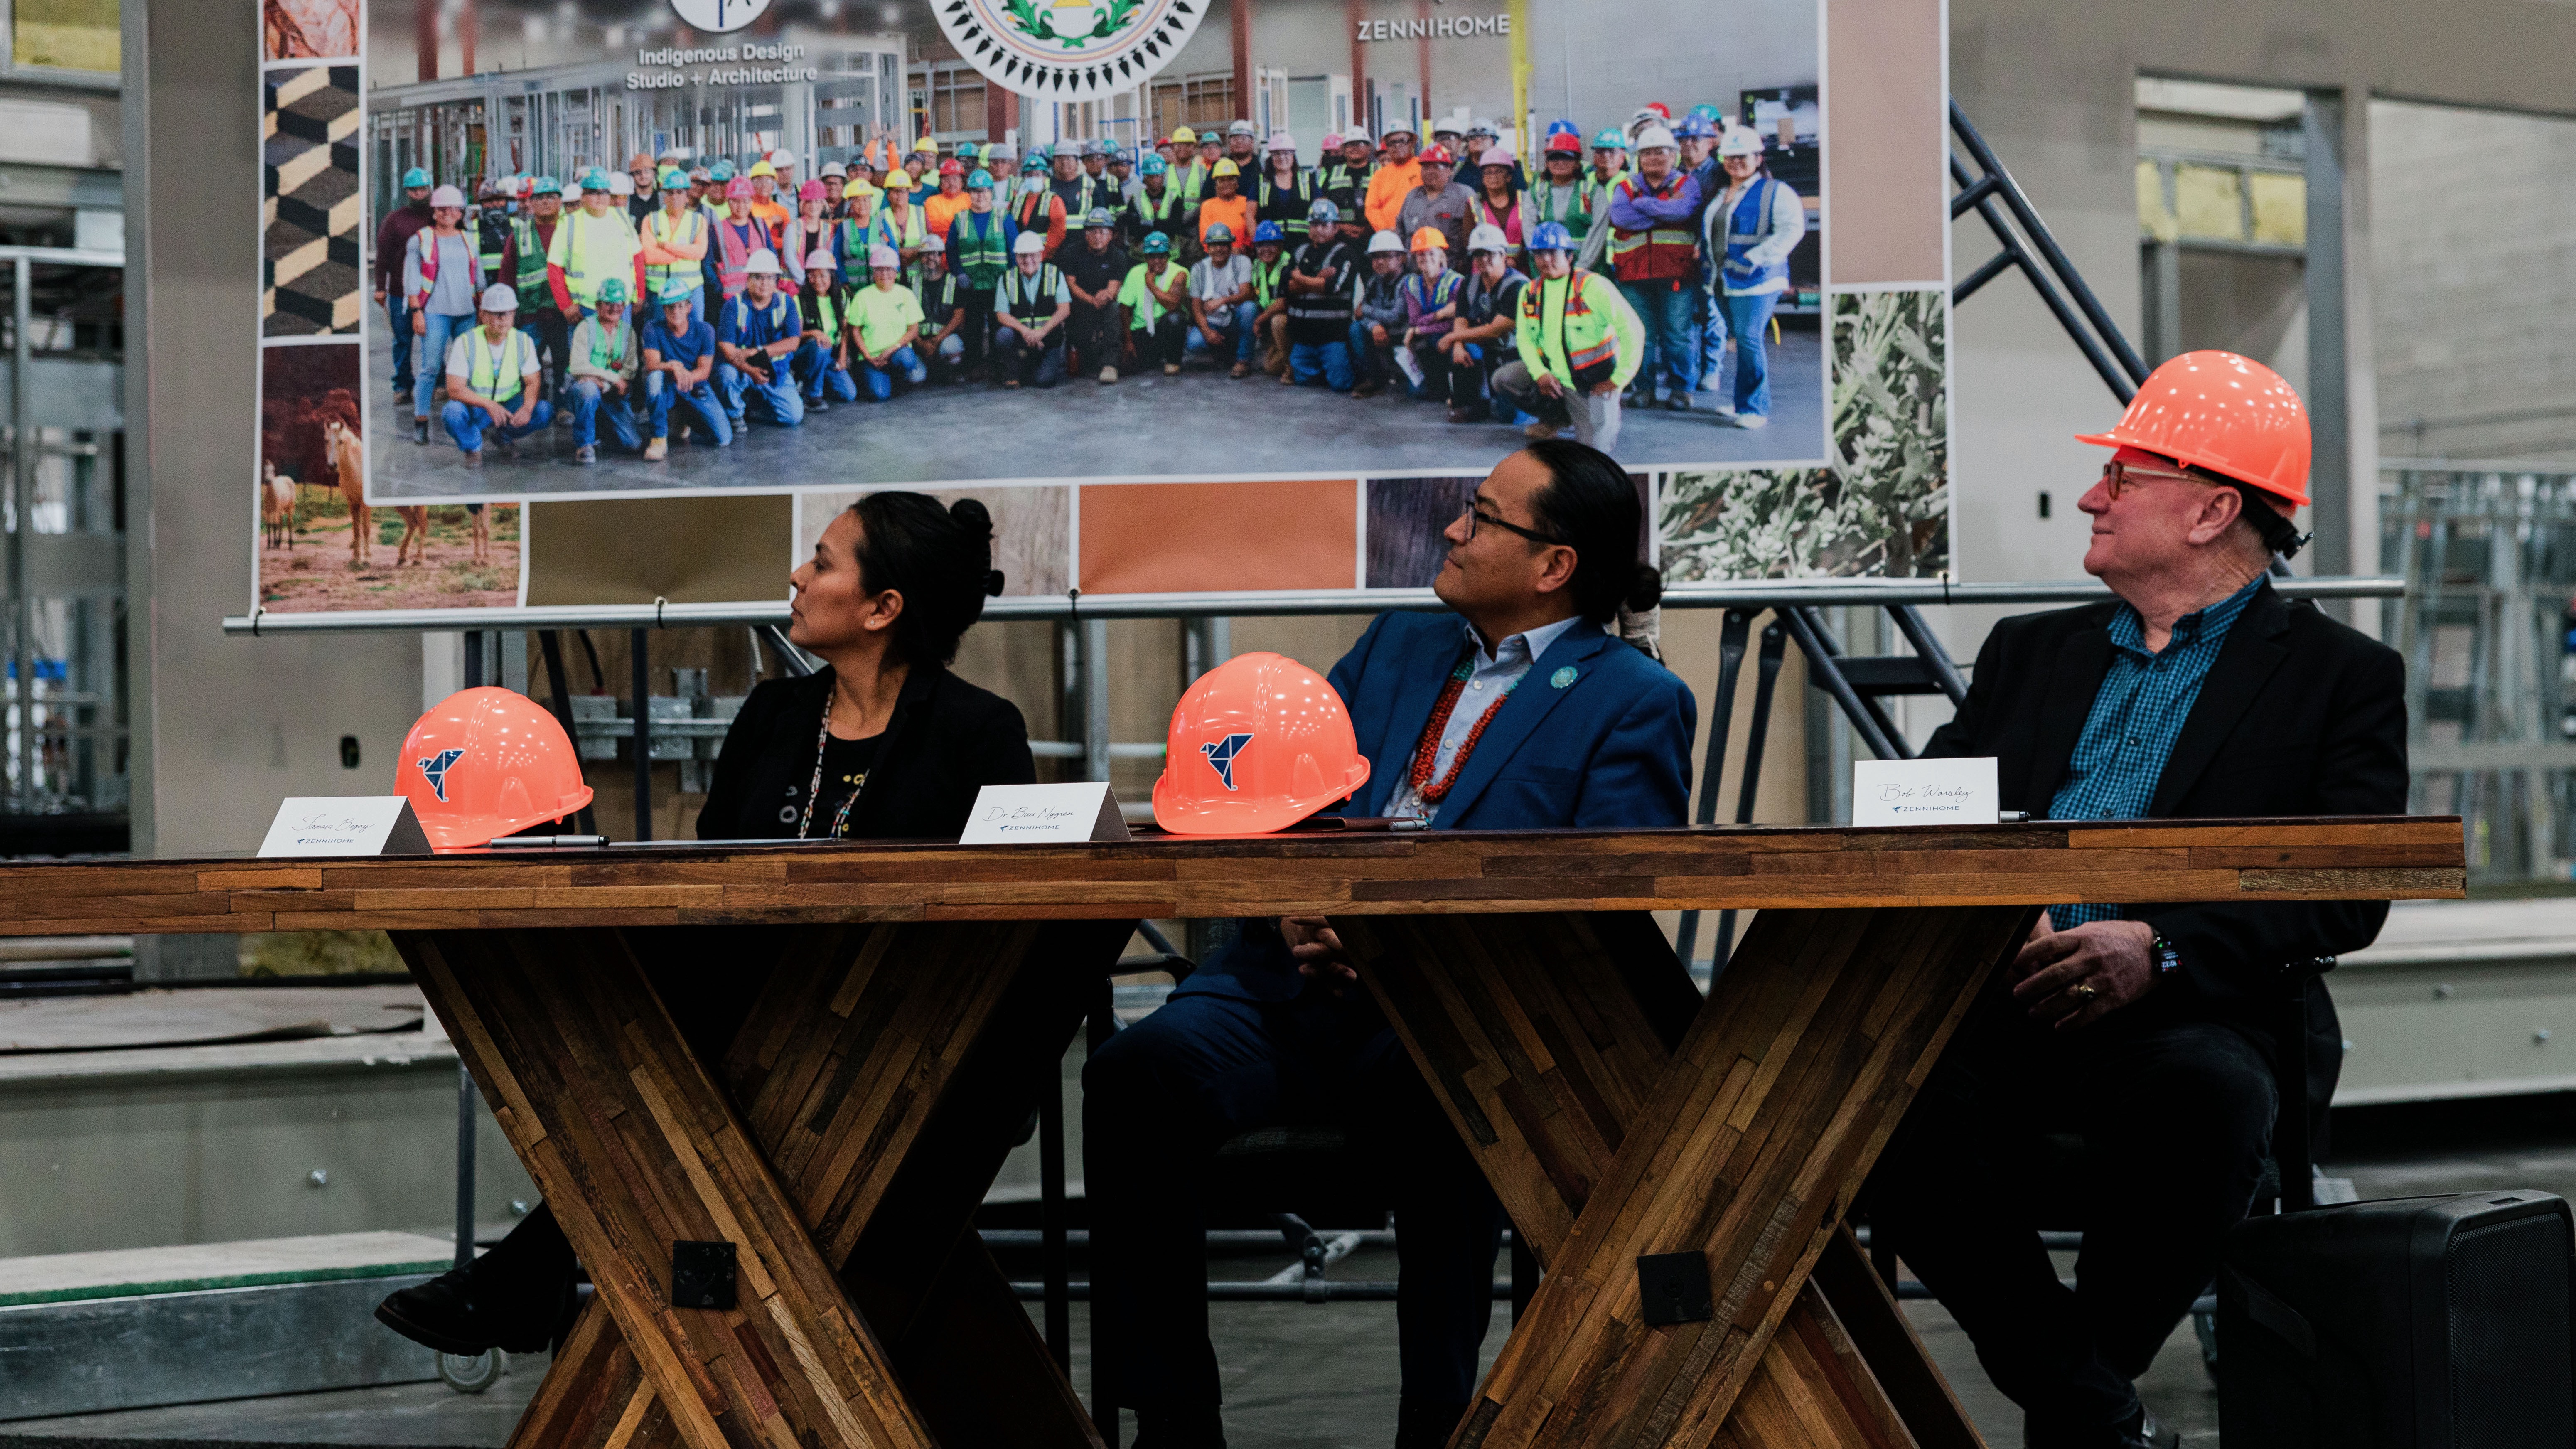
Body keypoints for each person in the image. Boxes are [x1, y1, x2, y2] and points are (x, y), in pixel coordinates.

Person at [1084, 439, 1693, 1449]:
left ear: (1553, 566)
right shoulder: (1391, 651)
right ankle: (1174, 1421)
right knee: (1132, 1071)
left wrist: (1408, 945)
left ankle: (1437, 1422)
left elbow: (1608, 909)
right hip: (1290, 982)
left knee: (1453, 1092)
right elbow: (1275, 812)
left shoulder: (1630, 698)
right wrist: (1287, 908)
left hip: (1459, 1015)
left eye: (1483, 517)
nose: (1452, 529)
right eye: (1465, 509)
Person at [1867, 352, 2396, 1449]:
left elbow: (2343, 890)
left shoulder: (2341, 674)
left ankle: (2078, 1400)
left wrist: (2157, 944)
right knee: (1869, 1095)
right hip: (2003, 996)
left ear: (2213, 508)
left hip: (2196, 1004)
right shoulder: (2031, 651)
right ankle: (2092, 1409)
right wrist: (1983, 898)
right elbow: (1937, 806)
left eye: (2123, 475)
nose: (2095, 496)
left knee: (2208, 1099)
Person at [376, 492, 1031, 1363]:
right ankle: (536, 1270)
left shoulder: (978, 733)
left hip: (905, 1042)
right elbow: (708, 883)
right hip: (751, 1030)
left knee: (673, 1056)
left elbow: (1015, 921)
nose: (798, 576)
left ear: (883, 609)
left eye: (824, 562)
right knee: (647, 1019)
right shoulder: (773, 719)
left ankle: (530, 1269)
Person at [1492, 222, 1643, 451]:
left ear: (1569, 256)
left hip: (1592, 383)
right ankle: (1556, 420)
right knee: (1504, 379)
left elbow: (1633, 330)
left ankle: (1588, 415)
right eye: (1539, 254)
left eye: (1553, 252)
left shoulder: (1593, 287)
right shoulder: (1529, 292)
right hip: (1555, 377)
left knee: (1595, 452)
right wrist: (1540, 373)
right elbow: (1525, 339)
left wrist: (1618, 380)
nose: (1546, 260)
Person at [1698, 125, 1804, 429]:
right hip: (1723, 279)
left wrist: (1756, 258)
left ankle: (1756, 408)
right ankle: (1743, 403)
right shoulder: (1720, 194)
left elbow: (1791, 230)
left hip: (1758, 281)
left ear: (1758, 158)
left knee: (1749, 339)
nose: (1735, 162)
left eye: (1742, 156)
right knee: (1743, 341)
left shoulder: (1776, 192)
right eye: (1729, 157)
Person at [1604, 123, 1702, 411]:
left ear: (1674, 156)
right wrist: (1662, 210)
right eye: (1647, 154)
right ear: (1638, 158)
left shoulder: (1687, 185)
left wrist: (1644, 205)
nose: (1654, 158)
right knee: (1639, 335)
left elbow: (1683, 210)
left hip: (1676, 274)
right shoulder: (1626, 187)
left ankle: (1682, 390)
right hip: (1633, 274)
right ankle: (1643, 389)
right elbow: (1621, 217)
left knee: (1677, 334)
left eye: (1661, 152)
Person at [403, 185, 484, 447]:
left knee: (470, 369)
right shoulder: (420, 240)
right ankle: (421, 420)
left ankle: (471, 417)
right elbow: (412, 280)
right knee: (430, 368)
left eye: (453, 209)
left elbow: (479, 280)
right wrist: (417, 312)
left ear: (461, 213)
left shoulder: (470, 240)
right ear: (434, 211)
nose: (448, 213)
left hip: (467, 314)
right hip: (436, 312)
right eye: (442, 209)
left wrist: (482, 312)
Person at [440, 284, 553, 466]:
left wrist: (526, 409)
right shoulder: (466, 342)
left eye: (508, 313)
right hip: (479, 407)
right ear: (483, 315)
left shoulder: (523, 341)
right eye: (497, 314)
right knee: (452, 412)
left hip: (510, 404)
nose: (503, 319)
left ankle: (504, 436)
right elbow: (455, 389)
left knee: (543, 412)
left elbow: (533, 382)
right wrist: (489, 405)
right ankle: (472, 447)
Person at [1440, 224, 1528, 424]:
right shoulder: (1469, 283)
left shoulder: (1518, 286)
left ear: (1504, 255)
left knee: (1509, 417)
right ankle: (1470, 404)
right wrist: (1459, 346)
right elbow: (1461, 320)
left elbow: (1495, 330)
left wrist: (1453, 338)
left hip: (1515, 353)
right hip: (1487, 349)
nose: (1484, 259)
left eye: (1491, 254)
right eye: (1479, 254)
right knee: (1464, 352)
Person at [715, 250, 807, 428]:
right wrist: (750, 370)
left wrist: (755, 352)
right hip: (741, 369)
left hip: (774, 370)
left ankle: (753, 409)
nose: (764, 283)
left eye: (770, 278)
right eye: (759, 278)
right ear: (748, 279)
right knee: (727, 374)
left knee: (793, 416)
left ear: (776, 281)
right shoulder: (733, 305)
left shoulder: (786, 303)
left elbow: (793, 342)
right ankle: (735, 413)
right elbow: (726, 348)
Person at [638, 280, 730, 459]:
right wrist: (674, 366)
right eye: (670, 307)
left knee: (724, 438)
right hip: (668, 384)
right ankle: (659, 438)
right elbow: (652, 365)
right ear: (664, 310)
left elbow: (704, 371)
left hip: (694, 384)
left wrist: (686, 375)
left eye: (681, 306)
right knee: (655, 378)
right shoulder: (653, 329)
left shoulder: (705, 331)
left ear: (689, 307)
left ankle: (681, 418)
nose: (676, 312)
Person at [547, 169, 642, 338]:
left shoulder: (621, 217)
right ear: (582, 196)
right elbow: (554, 268)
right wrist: (566, 305)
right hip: (586, 308)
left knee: (620, 359)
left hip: (621, 306)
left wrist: (640, 295)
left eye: (604, 192)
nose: (600, 197)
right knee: (586, 360)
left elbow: (637, 258)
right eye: (593, 193)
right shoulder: (568, 224)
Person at [561, 276, 643, 463]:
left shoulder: (629, 333)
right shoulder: (585, 328)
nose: (615, 308)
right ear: (598, 305)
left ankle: (601, 426)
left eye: (620, 304)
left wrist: (605, 383)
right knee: (589, 391)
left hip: (611, 392)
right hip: (583, 389)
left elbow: (629, 370)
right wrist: (611, 379)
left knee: (634, 444)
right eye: (609, 304)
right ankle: (585, 444)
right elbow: (578, 366)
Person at [501, 176, 569, 401]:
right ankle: (534, 404)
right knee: (530, 362)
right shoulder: (519, 234)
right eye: (539, 197)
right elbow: (508, 275)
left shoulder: (572, 229)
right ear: (531, 202)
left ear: (560, 201)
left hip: (565, 311)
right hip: (530, 313)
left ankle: (563, 405)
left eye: (551, 197)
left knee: (565, 361)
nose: (545, 202)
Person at [945, 169, 1015, 380]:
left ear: (992, 193)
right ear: (969, 194)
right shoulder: (960, 219)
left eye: (984, 191)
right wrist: (959, 273)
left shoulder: (1004, 217)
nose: (980, 196)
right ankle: (974, 366)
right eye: (975, 192)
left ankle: (997, 366)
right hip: (972, 285)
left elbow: (1013, 250)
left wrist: (1011, 280)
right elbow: (951, 250)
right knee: (973, 328)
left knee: (997, 326)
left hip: (998, 283)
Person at [1281, 199, 1357, 391]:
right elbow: (1287, 286)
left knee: (1340, 385)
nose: (1319, 230)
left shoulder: (1345, 254)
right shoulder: (1298, 252)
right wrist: (1316, 281)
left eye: (1325, 225)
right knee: (1304, 381)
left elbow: (1332, 287)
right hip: (1304, 337)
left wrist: (1301, 278)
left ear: (1336, 227)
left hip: (1332, 336)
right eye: (1314, 225)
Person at [374, 167, 435, 396]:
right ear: (406, 192)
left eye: (422, 189)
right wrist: (381, 288)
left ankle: (438, 381)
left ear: (430, 189)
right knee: (402, 340)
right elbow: (383, 256)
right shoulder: (394, 220)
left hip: (432, 291)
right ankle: (402, 383)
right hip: (400, 292)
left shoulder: (438, 216)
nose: (418, 194)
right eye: (413, 190)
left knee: (434, 338)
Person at [848, 245, 929, 401]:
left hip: (897, 353)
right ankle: (875, 377)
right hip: (871, 357)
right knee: (880, 395)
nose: (884, 274)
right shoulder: (862, 296)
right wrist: (867, 356)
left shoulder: (906, 294)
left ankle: (897, 381)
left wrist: (892, 349)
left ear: (896, 273)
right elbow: (855, 330)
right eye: (879, 269)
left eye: (889, 269)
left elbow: (914, 330)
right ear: (873, 272)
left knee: (906, 359)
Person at [993, 231, 1071, 390]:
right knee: (1003, 335)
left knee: (1044, 382)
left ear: (1041, 255)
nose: (1028, 260)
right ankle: (1014, 372)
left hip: (1049, 339)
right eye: (1023, 256)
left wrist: (1041, 332)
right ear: (1016, 258)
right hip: (1021, 339)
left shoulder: (1055, 274)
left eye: (1033, 255)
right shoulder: (1006, 278)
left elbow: (1065, 310)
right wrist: (1025, 331)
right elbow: (1001, 314)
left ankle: (1029, 366)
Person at [1061, 207, 1131, 384]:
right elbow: (1070, 284)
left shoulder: (1119, 257)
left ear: (1111, 235)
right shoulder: (1072, 252)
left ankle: (1111, 364)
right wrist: (1091, 299)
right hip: (1079, 305)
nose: (1097, 236)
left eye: (1102, 231)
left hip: (1105, 306)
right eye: (1092, 231)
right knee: (1081, 365)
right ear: (1086, 234)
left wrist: (1105, 296)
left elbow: (1114, 289)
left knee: (1114, 308)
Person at [639, 165, 711, 330]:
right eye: (670, 193)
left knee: (694, 335)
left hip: (692, 291)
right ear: (664, 197)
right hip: (659, 291)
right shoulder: (651, 220)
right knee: (657, 337)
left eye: (680, 192)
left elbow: (700, 252)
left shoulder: (698, 220)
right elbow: (650, 256)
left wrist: (667, 247)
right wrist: (684, 252)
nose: (675, 197)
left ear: (687, 196)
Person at [1185, 222, 1257, 378]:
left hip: (1234, 320)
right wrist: (1207, 331)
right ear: (1207, 248)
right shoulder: (1198, 269)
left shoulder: (1242, 262)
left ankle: (1243, 360)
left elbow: (1247, 294)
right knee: (1194, 343)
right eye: (1214, 245)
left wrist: (1222, 301)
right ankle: (1222, 353)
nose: (1219, 249)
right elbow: (1196, 306)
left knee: (1249, 308)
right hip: (1213, 322)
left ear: (1231, 246)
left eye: (1224, 244)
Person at [791, 249, 860, 412]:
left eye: (823, 275)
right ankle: (812, 396)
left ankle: (812, 381)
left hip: (830, 356)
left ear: (832, 276)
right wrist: (815, 333)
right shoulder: (800, 300)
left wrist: (843, 356)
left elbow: (845, 331)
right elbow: (795, 336)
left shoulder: (842, 296)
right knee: (822, 346)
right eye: (812, 276)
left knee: (849, 394)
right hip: (807, 354)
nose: (817, 281)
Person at [1349, 228, 1412, 399]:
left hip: (1406, 344)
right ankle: (1375, 379)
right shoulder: (1374, 282)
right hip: (1382, 340)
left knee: (1416, 394)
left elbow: (1395, 316)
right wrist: (1374, 325)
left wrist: (1367, 310)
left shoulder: (1409, 281)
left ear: (1401, 258)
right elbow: (1360, 316)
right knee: (1356, 328)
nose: (1380, 262)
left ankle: (1402, 377)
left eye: (1387, 256)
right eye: (1376, 257)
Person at [1118, 230, 1191, 376]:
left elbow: (1172, 305)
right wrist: (1128, 341)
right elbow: (1124, 308)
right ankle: (1153, 358)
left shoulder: (1180, 273)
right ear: (1145, 257)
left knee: (1175, 319)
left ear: (1168, 256)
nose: (1157, 261)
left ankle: (1173, 361)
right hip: (1142, 330)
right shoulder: (1135, 273)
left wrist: (1151, 286)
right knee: (1129, 368)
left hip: (1165, 329)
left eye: (1161, 256)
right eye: (1152, 257)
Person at [1395, 145, 1475, 273]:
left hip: (1452, 271)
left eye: (1437, 167)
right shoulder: (1412, 196)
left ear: (1449, 170)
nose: (1430, 172)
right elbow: (1401, 230)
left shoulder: (1464, 195)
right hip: (1414, 271)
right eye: (1426, 167)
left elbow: (1474, 233)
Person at [708, 178, 773, 308]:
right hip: (730, 299)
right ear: (728, 202)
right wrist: (718, 287)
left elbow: (772, 258)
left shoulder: (760, 226)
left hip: (761, 297)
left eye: (746, 201)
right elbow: (709, 263)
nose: (741, 206)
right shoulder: (717, 229)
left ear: (752, 202)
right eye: (736, 201)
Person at [1578, 129, 1631, 274]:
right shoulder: (1584, 184)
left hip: (1622, 257)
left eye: (1612, 152)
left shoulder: (1632, 183)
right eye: (1600, 152)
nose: (1606, 156)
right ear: (1594, 156)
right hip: (1590, 256)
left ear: (1623, 156)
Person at [912, 246, 968, 383]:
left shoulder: (953, 281)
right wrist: (920, 343)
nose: (931, 258)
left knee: (952, 347)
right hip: (918, 342)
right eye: (925, 255)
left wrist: (937, 340)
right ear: (920, 258)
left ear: (942, 257)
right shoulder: (912, 282)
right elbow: (905, 319)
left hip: (944, 340)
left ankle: (948, 373)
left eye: (935, 254)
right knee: (916, 378)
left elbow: (959, 317)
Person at [1468, 143, 1528, 270]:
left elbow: (1530, 234)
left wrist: (1515, 260)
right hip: (1484, 270)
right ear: (1483, 178)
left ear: (1509, 177)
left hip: (1520, 269)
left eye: (1499, 172)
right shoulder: (1473, 203)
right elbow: (1468, 239)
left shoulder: (1525, 199)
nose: (1493, 176)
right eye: (1488, 173)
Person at [870, 171, 929, 295]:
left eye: (903, 191)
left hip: (919, 275)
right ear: (889, 195)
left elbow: (931, 241)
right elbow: (877, 243)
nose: (900, 195)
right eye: (896, 191)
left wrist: (916, 251)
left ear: (909, 193)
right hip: (890, 277)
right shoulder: (880, 216)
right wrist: (902, 252)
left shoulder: (921, 212)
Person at [1245, 221, 1292, 375]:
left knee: (1277, 321)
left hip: (1288, 320)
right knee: (1271, 367)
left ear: (1280, 246)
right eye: (1261, 245)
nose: (1266, 250)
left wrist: (1260, 320)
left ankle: (1291, 368)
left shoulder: (1289, 263)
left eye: (1271, 245)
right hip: (1267, 319)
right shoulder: (1258, 265)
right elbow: (1254, 293)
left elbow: (1284, 302)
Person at [1252, 131, 1313, 246]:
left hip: (1304, 246)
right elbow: (1250, 216)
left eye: (1286, 153)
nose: (1282, 157)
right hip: (1271, 248)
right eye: (1277, 154)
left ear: (1293, 155)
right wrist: (1258, 242)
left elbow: (1318, 210)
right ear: (1271, 157)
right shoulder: (1260, 182)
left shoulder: (1309, 180)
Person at [780, 180, 838, 293]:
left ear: (823, 205)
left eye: (817, 202)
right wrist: (805, 281)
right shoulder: (792, 228)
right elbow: (789, 259)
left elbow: (829, 259)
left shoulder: (829, 229)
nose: (813, 206)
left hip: (818, 286)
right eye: (809, 202)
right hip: (793, 286)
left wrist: (816, 282)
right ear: (803, 204)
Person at [1364, 127, 1423, 235]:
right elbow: (1371, 208)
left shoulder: (1423, 168)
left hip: (1419, 233)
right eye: (1392, 143)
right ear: (1387, 146)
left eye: (1403, 141)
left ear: (1412, 143)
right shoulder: (1380, 175)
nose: (1397, 145)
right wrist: (1386, 230)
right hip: (1389, 236)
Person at [1012, 156, 1071, 260]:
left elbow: (1058, 232)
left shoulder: (1054, 200)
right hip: (1021, 256)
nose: (1033, 178)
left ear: (1045, 178)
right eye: (1029, 175)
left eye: (1037, 175)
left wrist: (1043, 255)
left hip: (1046, 257)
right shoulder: (1017, 200)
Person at [1128, 153, 1186, 253]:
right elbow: (1133, 230)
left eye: (1158, 176)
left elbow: (1177, 227)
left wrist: (1148, 226)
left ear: (1163, 176)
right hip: (1142, 254)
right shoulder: (1136, 199)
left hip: (1169, 254)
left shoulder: (1174, 198)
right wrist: (1162, 225)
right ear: (1145, 177)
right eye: (1151, 176)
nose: (1155, 180)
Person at [1195, 160, 1254, 258]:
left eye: (1231, 179)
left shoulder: (1246, 203)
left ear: (1237, 183)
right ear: (1216, 184)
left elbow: (1251, 233)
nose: (1226, 184)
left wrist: (1245, 248)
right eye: (1222, 180)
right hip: (1214, 257)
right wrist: (1228, 251)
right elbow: (1205, 238)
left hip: (1242, 256)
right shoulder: (1208, 206)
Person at [924, 157, 972, 241]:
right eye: (947, 179)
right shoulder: (932, 202)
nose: (951, 183)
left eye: (955, 179)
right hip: (940, 250)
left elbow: (973, 227)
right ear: (941, 183)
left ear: (962, 182)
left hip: (965, 246)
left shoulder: (970, 199)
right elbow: (933, 228)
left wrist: (946, 224)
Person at [745, 159, 790, 232]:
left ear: (774, 186)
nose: (764, 185)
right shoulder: (746, 209)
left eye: (768, 181)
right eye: (759, 181)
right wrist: (771, 221)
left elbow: (789, 238)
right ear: (752, 184)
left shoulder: (782, 211)